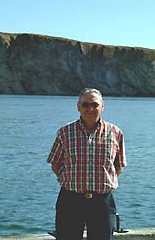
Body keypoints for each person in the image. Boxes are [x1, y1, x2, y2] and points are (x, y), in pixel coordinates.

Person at [47, 88, 127, 240]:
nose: (90, 109)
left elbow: (119, 166)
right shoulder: (65, 132)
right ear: (78, 106)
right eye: (85, 105)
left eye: (95, 104)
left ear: (102, 106)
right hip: (70, 200)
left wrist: (103, 181)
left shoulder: (116, 132)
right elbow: (55, 164)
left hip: (102, 202)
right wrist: (71, 181)